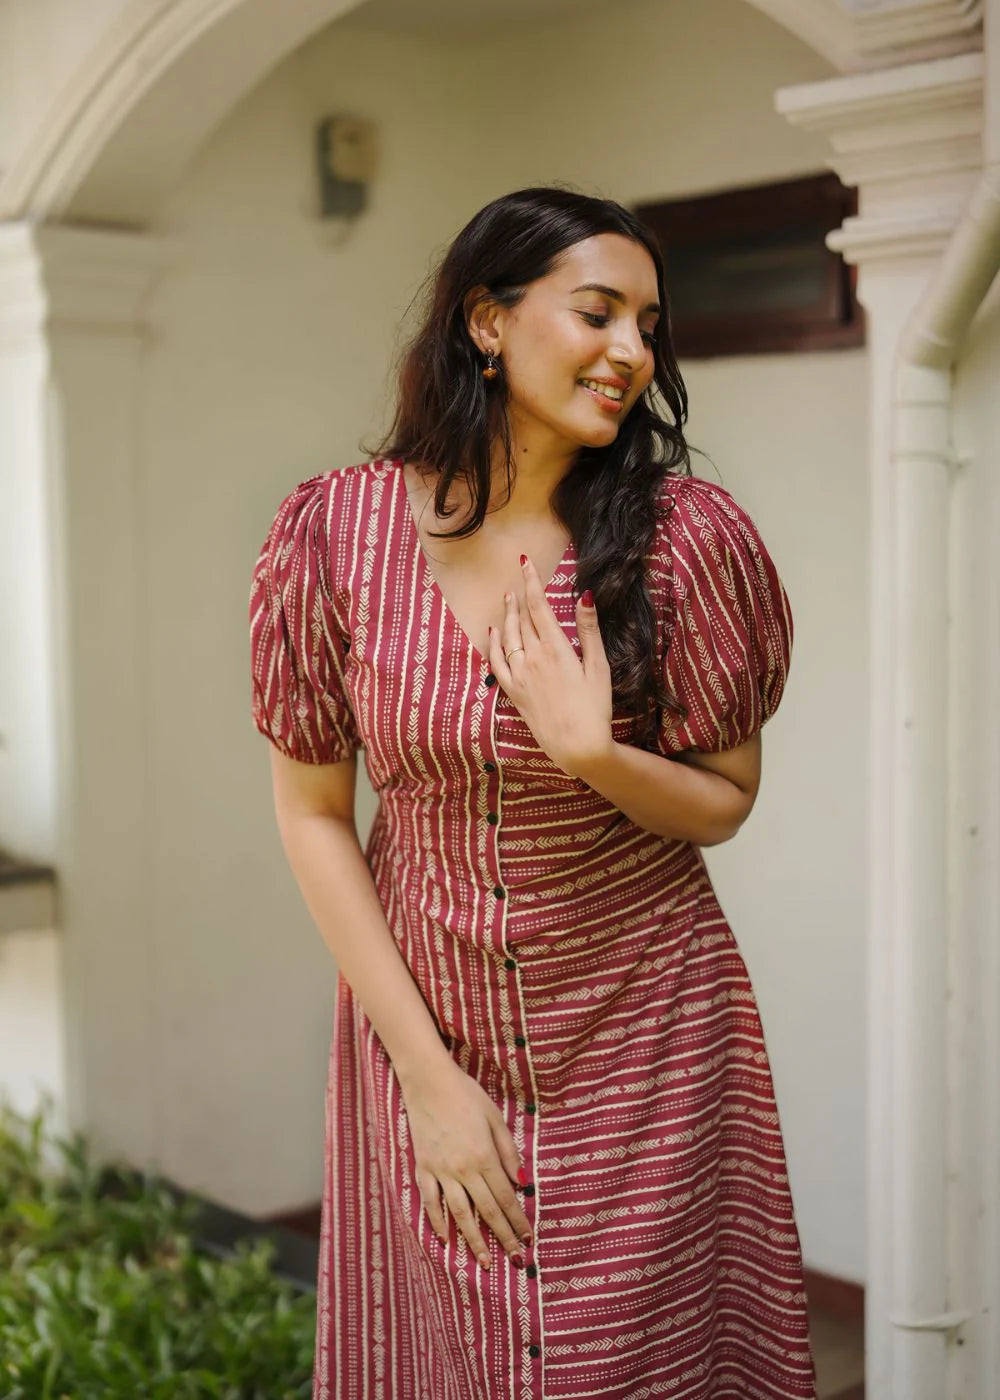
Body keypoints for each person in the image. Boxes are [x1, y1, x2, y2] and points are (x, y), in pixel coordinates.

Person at [248, 186, 817, 1400]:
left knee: (633, 1361)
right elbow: (312, 815)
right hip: (424, 1028)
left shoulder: (685, 538)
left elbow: (725, 799)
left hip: (644, 1034)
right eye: (597, 312)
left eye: (648, 327)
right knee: (440, 1356)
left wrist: (593, 751)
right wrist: (428, 1076)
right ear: (486, 323)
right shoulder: (333, 535)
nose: (630, 353)